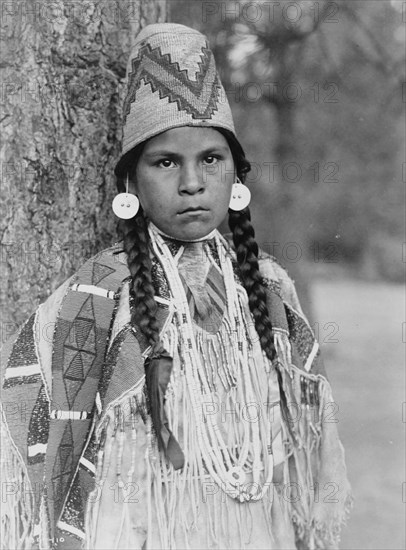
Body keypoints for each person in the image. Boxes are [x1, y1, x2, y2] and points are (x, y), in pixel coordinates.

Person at [1, 23, 352, 550]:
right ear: (130, 183)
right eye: (166, 162)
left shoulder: (269, 288)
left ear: (236, 174)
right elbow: (29, 407)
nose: (192, 182)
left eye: (211, 159)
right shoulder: (98, 294)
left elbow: (302, 434)